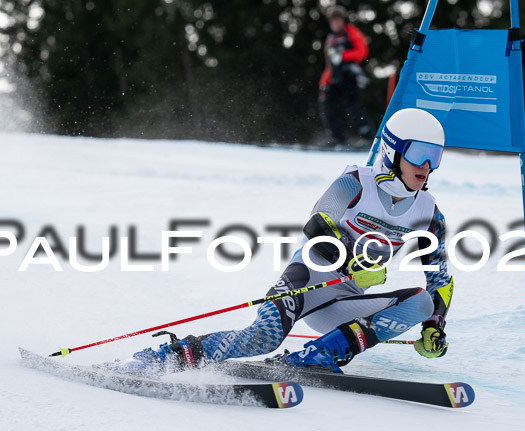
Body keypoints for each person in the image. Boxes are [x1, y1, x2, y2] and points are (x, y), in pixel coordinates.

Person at [119, 108, 453, 375]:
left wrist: (434, 323)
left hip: (343, 305)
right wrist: (353, 261)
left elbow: (439, 276)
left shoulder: (428, 211)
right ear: (394, 150)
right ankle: (171, 355)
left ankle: (320, 354)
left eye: (435, 157)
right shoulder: (355, 182)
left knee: (421, 302)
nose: (426, 166)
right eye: (419, 153)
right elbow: (317, 227)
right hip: (305, 282)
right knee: (262, 338)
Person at [318, 5, 375, 148]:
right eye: (332, 20)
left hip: (349, 76)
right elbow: (329, 63)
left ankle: (368, 137)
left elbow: (362, 51)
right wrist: (324, 80)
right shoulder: (330, 38)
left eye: (337, 20)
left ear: (343, 20)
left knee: (353, 107)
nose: (335, 23)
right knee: (327, 107)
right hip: (333, 78)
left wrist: (343, 56)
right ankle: (337, 139)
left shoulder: (352, 32)